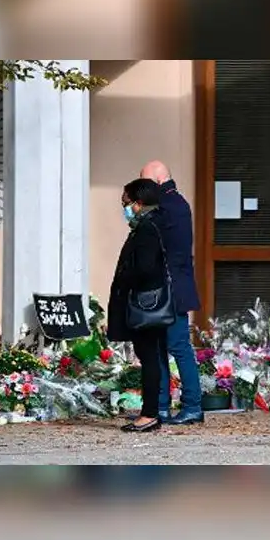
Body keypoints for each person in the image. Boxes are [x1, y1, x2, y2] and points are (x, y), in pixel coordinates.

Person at [139, 160, 204, 425]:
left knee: (177, 347)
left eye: (144, 184)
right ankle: (161, 407)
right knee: (160, 348)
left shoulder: (168, 208)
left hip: (170, 291)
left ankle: (192, 406)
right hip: (170, 289)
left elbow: (161, 249)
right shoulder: (174, 205)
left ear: (156, 182)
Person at [107, 178, 169, 433]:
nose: (124, 208)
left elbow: (144, 267)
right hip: (147, 301)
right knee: (150, 356)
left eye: (126, 203)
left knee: (149, 357)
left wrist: (124, 278)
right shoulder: (152, 224)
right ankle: (151, 411)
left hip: (145, 304)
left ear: (139, 203)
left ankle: (150, 414)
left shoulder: (146, 228)